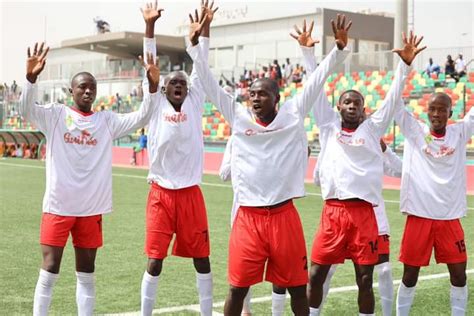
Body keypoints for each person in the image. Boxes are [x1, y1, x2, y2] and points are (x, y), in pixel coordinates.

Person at [189, 10, 352, 314]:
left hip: (283, 216)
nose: (255, 99)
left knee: (297, 292)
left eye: (262, 94)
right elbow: (210, 84)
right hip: (248, 218)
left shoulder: (292, 113)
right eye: (251, 94)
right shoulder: (238, 117)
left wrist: (337, 50)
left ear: (276, 98)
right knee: (237, 290)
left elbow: (317, 81)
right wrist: (196, 45)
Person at [20, 42, 159, 316]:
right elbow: (27, 111)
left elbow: (144, 114)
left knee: (86, 274)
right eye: (82, 86)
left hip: (90, 210)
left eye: (91, 87)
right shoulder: (56, 115)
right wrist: (30, 80)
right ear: (71, 91)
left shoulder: (106, 121)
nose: (87, 90)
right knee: (49, 270)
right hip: (58, 207)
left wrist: (152, 88)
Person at [307, 30, 425, 316]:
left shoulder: (372, 129)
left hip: (364, 214)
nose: (351, 106)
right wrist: (308, 55)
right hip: (333, 212)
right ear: (338, 106)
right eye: (347, 102)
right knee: (315, 276)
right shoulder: (328, 125)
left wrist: (405, 66)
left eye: (356, 103)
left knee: (365, 279)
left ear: (363, 109)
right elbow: (313, 88)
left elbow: (393, 96)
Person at [138, 1, 217, 315]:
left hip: (190, 195)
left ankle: (207, 311)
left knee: (203, 258)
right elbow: (150, 66)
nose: (179, 86)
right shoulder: (155, 103)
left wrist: (205, 30)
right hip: (160, 194)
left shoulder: (196, 100)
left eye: (183, 83)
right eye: (173, 83)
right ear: (163, 88)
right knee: (155, 260)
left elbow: (202, 65)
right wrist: (149, 27)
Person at [394, 92, 473, 316]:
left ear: (450, 112)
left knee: (459, 275)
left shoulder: (460, 132)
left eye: (442, 109)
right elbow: (395, 105)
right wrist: (404, 66)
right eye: (432, 109)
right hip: (419, 216)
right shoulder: (415, 131)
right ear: (426, 111)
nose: (436, 114)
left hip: (449, 218)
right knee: (410, 276)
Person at [314, 139, 403, 316]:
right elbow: (317, 178)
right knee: (325, 271)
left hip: (373, 216)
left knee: (381, 271)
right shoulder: (332, 141)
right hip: (339, 216)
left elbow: (400, 170)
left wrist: (384, 149)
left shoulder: (372, 144)